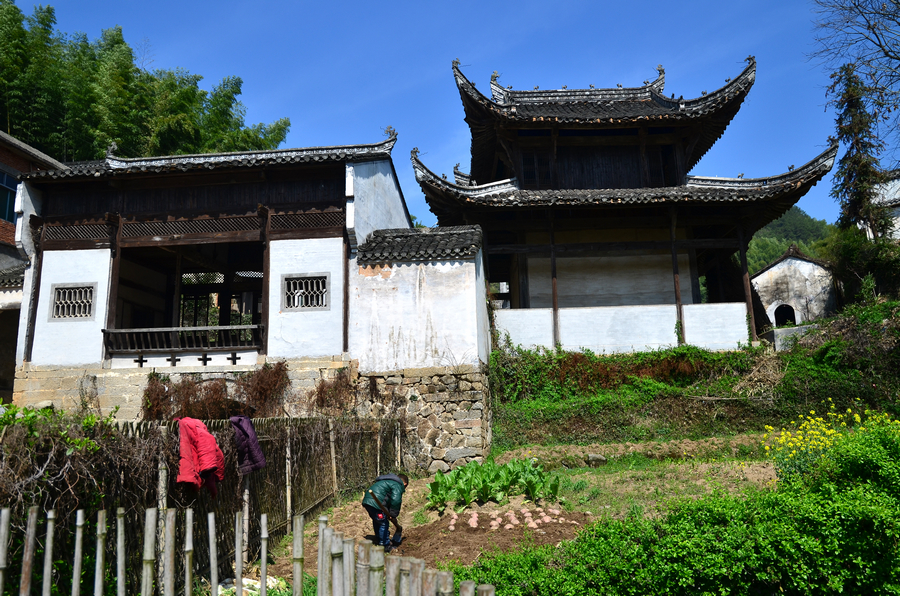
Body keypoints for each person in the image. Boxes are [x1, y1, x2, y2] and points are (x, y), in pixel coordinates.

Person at [361, 473, 408, 552]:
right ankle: (384, 545)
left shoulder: (388, 482)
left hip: (368, 501)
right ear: (405, 484)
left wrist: (389, 513)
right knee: (383, 523)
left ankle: (379, 538)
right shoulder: (398, 484)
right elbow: (396, 500)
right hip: (375, 502)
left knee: (377, 521)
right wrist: (393, 514)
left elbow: (387, 498)